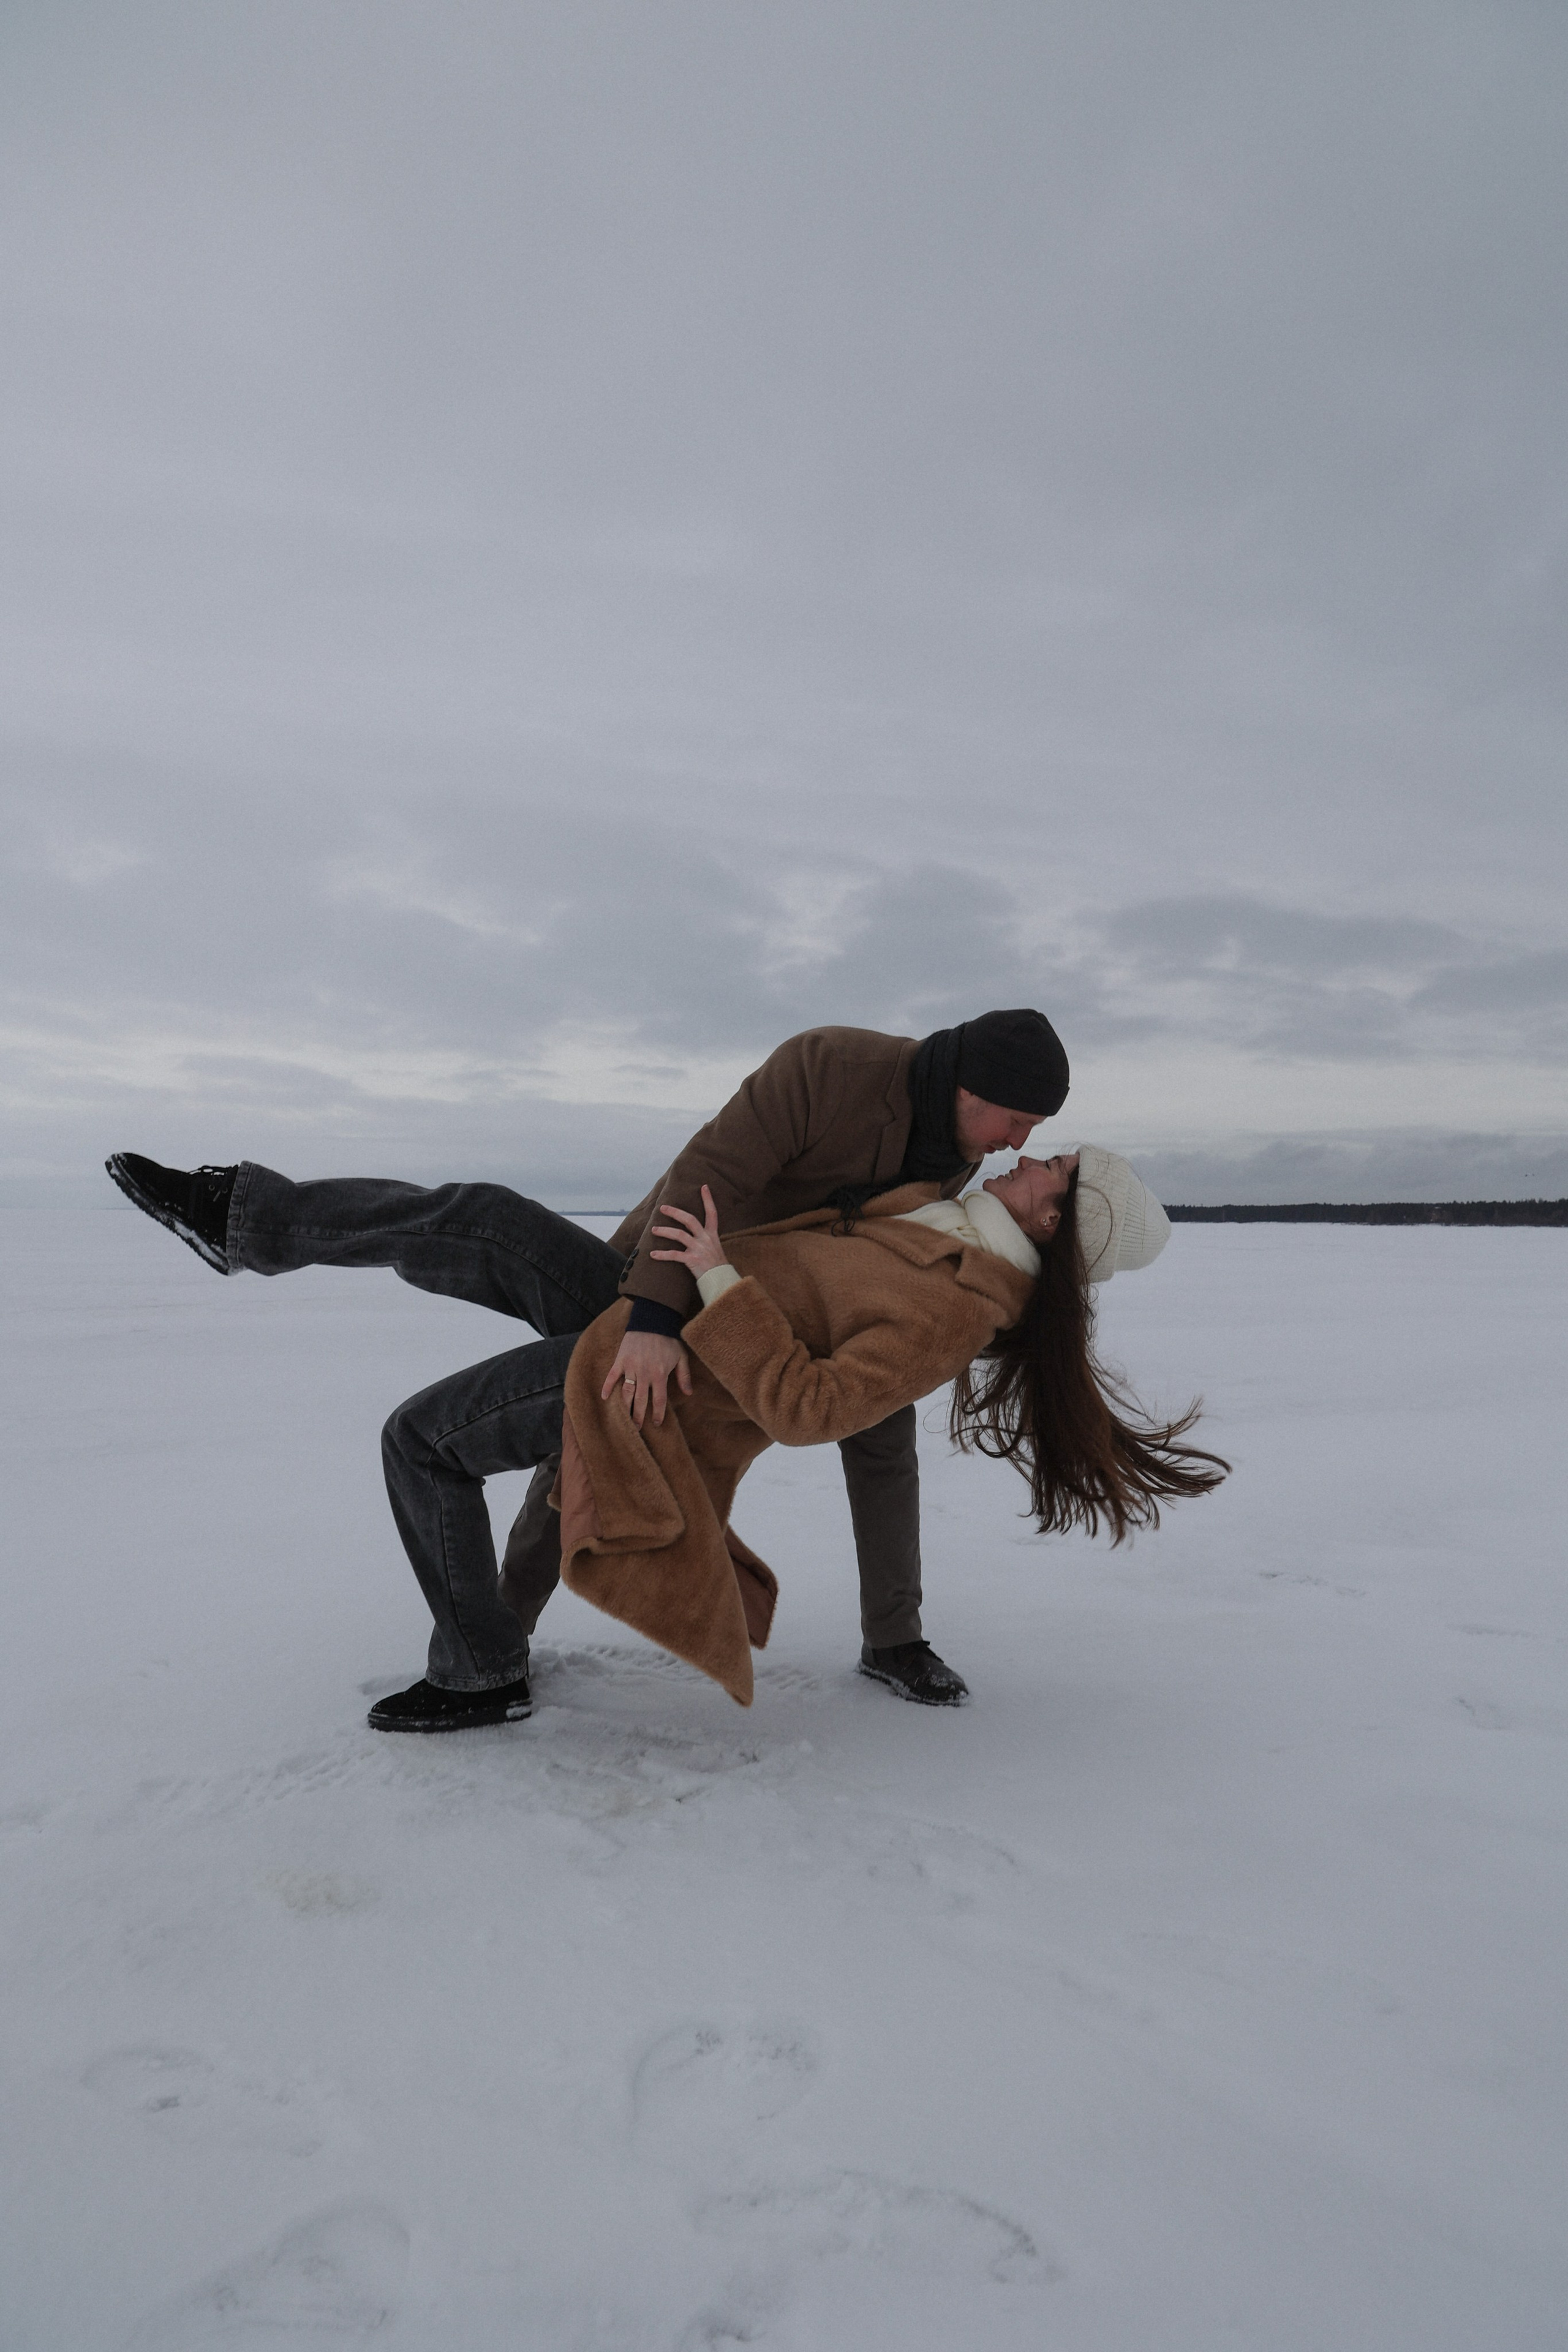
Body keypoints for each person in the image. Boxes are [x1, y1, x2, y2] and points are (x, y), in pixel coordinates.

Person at [105, 1008, 1070, 1731]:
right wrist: (653, 1313)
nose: (1019, 1143)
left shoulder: (959, 1171)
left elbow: (879, 1295)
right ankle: (245, 1218)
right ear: (970, 1083)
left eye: (1035, 1136)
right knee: (486, 1229)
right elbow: (713, 1172)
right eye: (1018, 1119)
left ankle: (887, 1637)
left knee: (869, 1433)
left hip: (738, 1335)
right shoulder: (832, 1068)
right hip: (662, 1274)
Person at [554, 1149, 1228, 1704]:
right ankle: (893, 1638)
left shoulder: (957, 1301)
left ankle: (503, 1639)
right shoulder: (952, 1214)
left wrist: (715, 1276)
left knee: (547, 1408)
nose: (1027, 1155)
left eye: (1051, 1166)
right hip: (672, 1297)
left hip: (686, 1340)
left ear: (1051, 1217)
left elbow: (810, 1409)